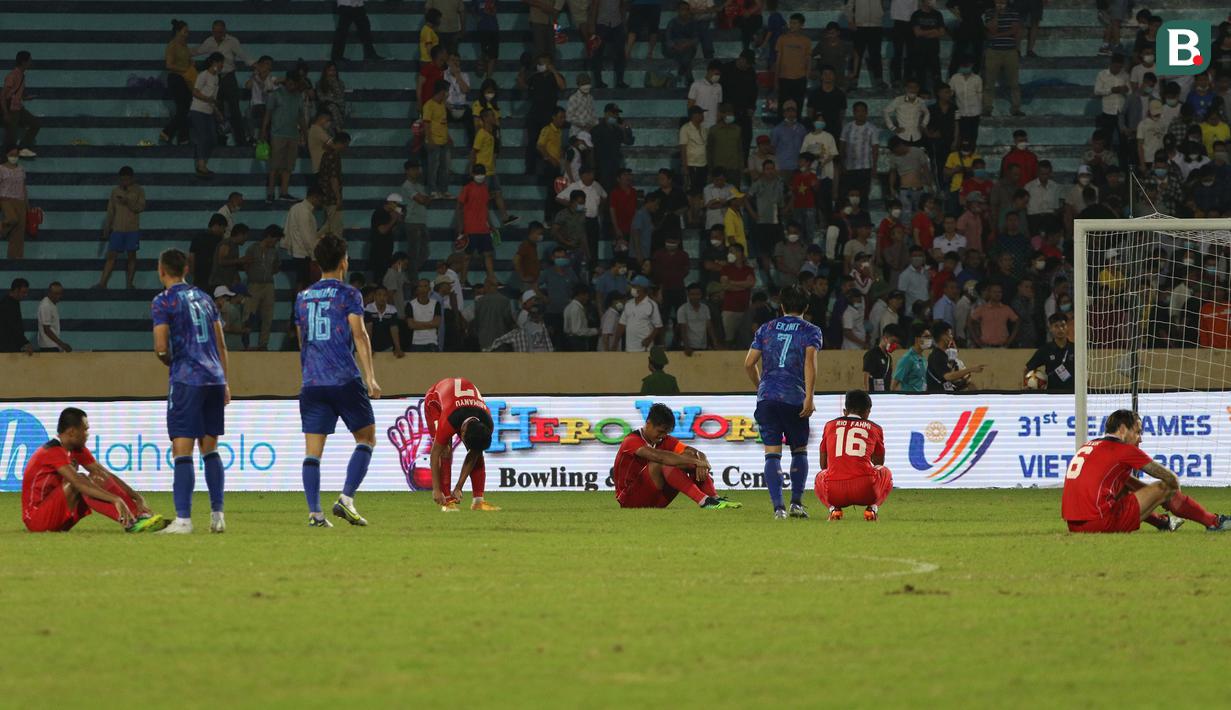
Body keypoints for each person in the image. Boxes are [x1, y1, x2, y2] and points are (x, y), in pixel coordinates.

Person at [293, 235, 382, 527]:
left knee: (312, 452)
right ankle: (346, 499)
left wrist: (309, 375)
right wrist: (370, 377)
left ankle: (315, 514)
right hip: (344, 378)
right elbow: (359, 335)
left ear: (318, 262)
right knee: (367, 438)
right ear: (344, 260)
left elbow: (302, 342)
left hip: (313, 382)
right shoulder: (349, 295)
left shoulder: (302, 298)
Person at [151, 248, 230, 535]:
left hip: (187, 379)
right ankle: (217, 514)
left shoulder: (164, 300)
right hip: (215, 379)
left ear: (162, 270)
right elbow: (221, 344)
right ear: (186, 269)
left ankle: (183, 519)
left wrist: (169, 361)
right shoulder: (207, 299)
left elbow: (161, 346)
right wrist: (226, 381)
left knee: (182, 449)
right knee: (210, 448)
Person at [1062, 409, 1231, 534]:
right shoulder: (1124, 450)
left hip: (1074, 525)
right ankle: (1213, 522)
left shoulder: (1089, 445)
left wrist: (1152, 498)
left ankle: (1163, 523)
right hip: (1101, 522)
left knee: (1124, 484)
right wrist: (1169, 498)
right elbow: (1171, 480)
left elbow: (1126, 483)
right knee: (1165, 487)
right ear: (1122, 429)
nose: (1140, 439)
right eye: (1138, 432)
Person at [22, 407, 169, 533]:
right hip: (36, 519)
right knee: (80, 481)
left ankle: (139, 517)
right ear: (72, 432)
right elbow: (78, 483)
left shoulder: (76, 449)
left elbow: (104, 474)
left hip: (57, 513)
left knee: (98, 476)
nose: (87, 434)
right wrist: (115, 499)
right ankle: (131, 522)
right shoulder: (52, 451)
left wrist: (136, 496)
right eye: (85, 429)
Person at [745, 284, 821, 518]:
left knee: (772, 453)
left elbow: (748, 363)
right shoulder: (811, 330)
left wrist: (761, 387)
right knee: (799, 450)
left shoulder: (766, 328)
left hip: (767, 397)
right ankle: (796, 504)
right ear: (806, 307)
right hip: (793, 397)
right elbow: (810, 363)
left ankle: (778, 508)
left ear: (781, 306)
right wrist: (809, 396)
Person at [611, 402, 741, 509]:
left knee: (688, 457)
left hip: (656, 500)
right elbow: (658, 457)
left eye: (665, 433)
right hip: (630, 501)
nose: (662, 436)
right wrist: (696, 462)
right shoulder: (631, 441)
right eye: (660, 431)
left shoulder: (664, 439)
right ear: (649, 423)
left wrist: (701, 459)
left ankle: (715, 499)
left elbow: (692, 452)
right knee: (664, 462)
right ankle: (705, 502)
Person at [424, 377, 501, 512]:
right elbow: (434, 454)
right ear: (462, 432)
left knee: (478, 450)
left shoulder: (487, 422)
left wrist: (459, 487)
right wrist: (436, 489)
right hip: (435, 402)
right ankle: (447, 501)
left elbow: (474, 452)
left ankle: (478, 501)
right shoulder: (449, 420)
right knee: (445, 449)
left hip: (459, 403)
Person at [815, 389, 893, 521]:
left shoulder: (829, 426)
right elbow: (879, 463)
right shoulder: (875, 428)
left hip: (835, 492)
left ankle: (834, 509)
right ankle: (871, 510)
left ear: (845, 411)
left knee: (819, 477)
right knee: (885, 472)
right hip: (865, 490)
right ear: (867, 411)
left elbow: (823, 464)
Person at [193, 20, 252, 146]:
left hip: (229, 77)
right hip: (215, 78)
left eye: (219, 32)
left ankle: (241, 140)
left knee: (235, 110)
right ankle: (220, 139)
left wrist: (254, 64)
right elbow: (197, 51)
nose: (217, 34)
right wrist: (183, 53)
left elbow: (243, 55)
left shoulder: (232, 41)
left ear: (224, 31)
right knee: (216, 110)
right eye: (214, 31)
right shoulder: (209, 41)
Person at [97, 166, 145, 290]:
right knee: (111, 256)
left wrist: (128, 202)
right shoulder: (115, 191)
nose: (124, 182)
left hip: (132, 229)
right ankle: (102, 283)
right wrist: (107, 227)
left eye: (127, 180)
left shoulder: (139, 191)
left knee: (131, 256)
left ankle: (130, 283)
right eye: (122, 180)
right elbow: (111, 210)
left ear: (132, 179)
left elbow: (140, 208)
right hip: (117, 228)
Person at [263, 72, 306, 203]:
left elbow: (301, 117)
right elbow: (268, 114)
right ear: (286, 81)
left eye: (294, 83)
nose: (292, 85)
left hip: (293, 135)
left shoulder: (298, 96)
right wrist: (263, 132)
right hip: (278, 134)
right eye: (290, 82)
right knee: (274, 166)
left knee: (288, 166)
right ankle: (270, 193)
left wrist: (305, 133)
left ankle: (284, 192)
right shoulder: (276, 94)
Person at [189, 52, 225, 177]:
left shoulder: (216, 78)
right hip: (198, 110)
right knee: (203, 137)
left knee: (213, 139)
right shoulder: (203, 75)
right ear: (213, 63)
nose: (221, 65)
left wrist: (217, 112)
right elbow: (195, 92)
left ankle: (203, 162)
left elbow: (213, 99)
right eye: (220, 62)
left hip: (209, 112)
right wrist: (207, 99)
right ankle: (201, 165)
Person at [1023, 312, 1074, 392]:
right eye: (1056, 326)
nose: (1060, 329)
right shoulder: (1045, 350)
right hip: (1051, 394)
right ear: (1050, 328)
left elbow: (1085, 372)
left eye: (1063, 325)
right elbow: (1027, 369)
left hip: (1073, 394)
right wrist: (1026, 384)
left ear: (1067, 327)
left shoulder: (1075, 349)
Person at [926, 321, 983, 391]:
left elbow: (962, 380)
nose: (952, 337)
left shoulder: (949, 358)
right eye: (950, 334)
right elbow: (948, 376)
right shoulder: (936, 356)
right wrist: (971, 369)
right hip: (939, 398)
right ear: (943, 336)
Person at [3, 51, 38, 156]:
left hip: (18, 108)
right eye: (29, 60)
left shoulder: (22, 75)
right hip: (11, 109)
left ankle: (22, 148)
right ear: (23, 62)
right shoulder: (12, 76)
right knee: (10, 137)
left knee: (35, 124)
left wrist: (25, 97)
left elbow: (16, 92)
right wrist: (5, 113)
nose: (31, 62)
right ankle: (7, 157)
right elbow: (3, 96)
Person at [617, 275, 664, 352]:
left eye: (635, 286)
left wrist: (649, 339)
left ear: (644, 288)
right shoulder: (628, 304)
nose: (633, 288)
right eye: (632, 286)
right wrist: (615, 343)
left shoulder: (651, 304)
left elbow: (658, 326)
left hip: (645, 349)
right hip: (629, 349)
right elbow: (621, 324)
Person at [0, 144, 29, 259]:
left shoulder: (21, 169)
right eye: (12, 155)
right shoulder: (1, 168)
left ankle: (15, 258)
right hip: (5, 198)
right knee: (12, 219)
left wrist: (27, 204)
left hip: (20, 200)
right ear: (7, 155)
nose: (14, 157)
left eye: (16, 155)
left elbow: (24, 186)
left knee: (19, 232)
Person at [676, 282, 718, 354]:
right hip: (689, 347)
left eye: (698, 294)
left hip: (703, 346)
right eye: (692, 294)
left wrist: (715, 343)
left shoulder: (705, 308)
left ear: (701, 295)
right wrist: (687, 346)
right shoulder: (682, 309)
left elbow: (709, 326)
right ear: (688, 295)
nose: (695, 297)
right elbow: (683, 329)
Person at [0, 277, 32, 354]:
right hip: (7, 349)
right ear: (16, 290)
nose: (25, 295)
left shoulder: (13, 302)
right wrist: (25, 343)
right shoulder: (8, 305)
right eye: (23, 292)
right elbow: (14, 327)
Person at [863, 324, 899, 393]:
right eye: (893, 341)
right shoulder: (871, 354)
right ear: (885, 338)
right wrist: (867, 393)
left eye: (896, 343)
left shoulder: (889, 358)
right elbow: (866, 376)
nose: (895, 345)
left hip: (885, 394)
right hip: (874, 395)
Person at [36, 282, 69, 353]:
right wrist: (62, 344)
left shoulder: (51, 304)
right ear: (49, 293)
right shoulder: (46, 306)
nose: (58, 296)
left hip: (51, 345)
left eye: (60, 293)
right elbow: (46, 329)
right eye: (56, 293)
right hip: (48, 346)